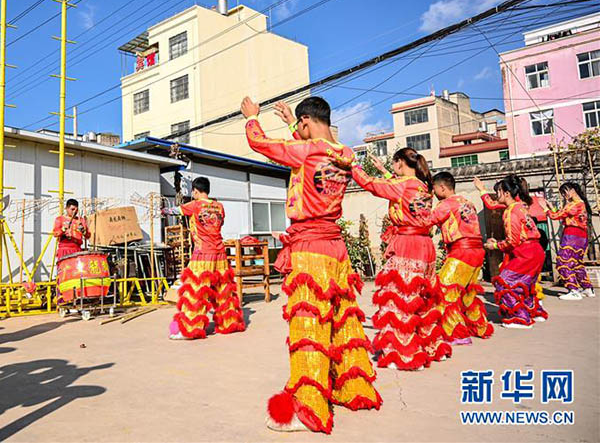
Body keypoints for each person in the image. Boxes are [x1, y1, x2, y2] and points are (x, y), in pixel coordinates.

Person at [242, 96, 381, 434]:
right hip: (337, 248)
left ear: (305, 122)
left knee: (308, 326)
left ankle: (310, 408)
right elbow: (312, 142)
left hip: (310, 247)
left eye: (299, 126)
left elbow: (260, 142)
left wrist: (251, 118)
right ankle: (352, 388)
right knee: (342, 321)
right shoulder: (345, 153)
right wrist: (293, 122)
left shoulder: (304, 151)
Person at [352, 149, 450, 371]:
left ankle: (405, 355)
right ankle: (432, 347)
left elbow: (370, 184)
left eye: (394, 164)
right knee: (423, 300)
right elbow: (401, 191)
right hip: (425, 245)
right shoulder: (423, 186)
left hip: (408, 244)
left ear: (399, 163)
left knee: (400, 299)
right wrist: (385, 172)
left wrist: (351, 165)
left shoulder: (404, 185)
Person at [162, 177, 245, 340]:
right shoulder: (219, 207)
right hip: (220, 253)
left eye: (193, 191)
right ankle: (229, 323)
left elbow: (175, 211)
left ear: (195, 191)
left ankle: (190, 329)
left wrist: (163, 211)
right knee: (223, 290)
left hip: (203, 254)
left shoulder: (195, 205)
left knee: (196, 290)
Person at [427, 172, 493, 345]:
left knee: (445, 291)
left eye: (434, 188)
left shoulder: (445, 204)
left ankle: (457, 333)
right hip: (477, 251)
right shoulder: (467, 202)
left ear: (442, 187)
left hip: (460, 252)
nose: (433, 193)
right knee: (468, 294)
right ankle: (480, 327)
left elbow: (428, 220)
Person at [484, 175, 547, 328]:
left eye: (498, 191)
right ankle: (534, 312)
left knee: (504, 282)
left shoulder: (510, 211)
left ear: (506, 193)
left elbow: (513, 241)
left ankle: (520, 318)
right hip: (536, 250)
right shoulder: (520, 206)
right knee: (526, 285)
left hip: (525, 253)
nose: (497, 195)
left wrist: (495, 246)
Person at [546, 182, 594, 300]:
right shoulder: (581, 204)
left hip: (572, 236)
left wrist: (546, 210)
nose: (564, 195)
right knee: (577, 263)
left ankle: (573, 290)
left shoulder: (573, 204)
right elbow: (562, 214)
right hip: (581, 237)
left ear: (572, 189)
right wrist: (553, 209)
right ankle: (587, 288)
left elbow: (556, 216)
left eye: (565, 191)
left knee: (562, 262)